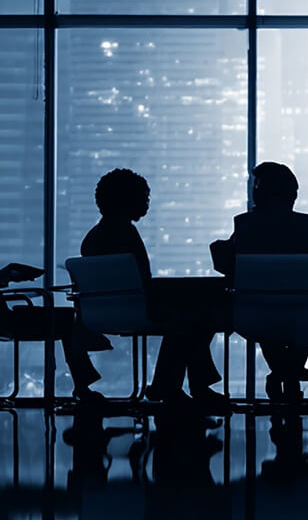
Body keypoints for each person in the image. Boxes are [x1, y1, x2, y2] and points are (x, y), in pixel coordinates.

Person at [0, 183, 105, 398]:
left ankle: (85, 377)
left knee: (67, 320)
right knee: (68, 320)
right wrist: (7, 275)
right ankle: (84, 383)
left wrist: (9, 274)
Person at [80, 168, 223, 405]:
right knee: (199, 317)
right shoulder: (125, 232)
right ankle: (183, 386)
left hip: (110, 309)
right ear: (128, 200)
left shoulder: (94, 236)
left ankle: (179, 386)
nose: (147, 203)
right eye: (144, 197)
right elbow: (142, 281)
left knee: (193, 316)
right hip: (135, 308)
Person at [210, 162, 308, 399]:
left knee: (268, 310)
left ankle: (282, 371)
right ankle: (289, 371)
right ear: (292, 195)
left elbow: (227, 266)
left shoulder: (246, 226)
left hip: (257, 316)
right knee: (301, 313)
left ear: (258, 193)